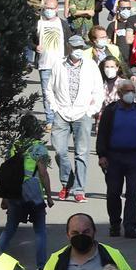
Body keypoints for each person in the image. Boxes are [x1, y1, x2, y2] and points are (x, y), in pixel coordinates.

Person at [46, 36, 104, 203]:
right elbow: (49, 88)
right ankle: (67, 181)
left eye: (81, 47)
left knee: (81, 153)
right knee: (59, 150)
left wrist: (91, 110)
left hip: (82, 114)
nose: (78, 50)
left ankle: (79, 189)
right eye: (75, 47)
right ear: (69, 47)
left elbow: (98, 90)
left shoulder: (91, 65)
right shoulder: (59, 64)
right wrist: (54, 107)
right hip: (62, 113)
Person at [96, 79, 136, 239]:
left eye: (133, 91)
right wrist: (102, 155)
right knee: (113, 192)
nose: (131, 94)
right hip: (114, 157)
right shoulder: (111, 110)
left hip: (134, 157)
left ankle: (130, 227)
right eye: (127, 91)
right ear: (120, 93)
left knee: (133, 193)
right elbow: (102, 134)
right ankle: (115, 224)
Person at [0, 114, 55, 270]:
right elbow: (43, 173)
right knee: (40, 231)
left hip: (15, 193)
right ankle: (41, 266)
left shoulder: (13, 146)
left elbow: (8, 174)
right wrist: (49, 196)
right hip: (33, 194)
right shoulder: (38, 148)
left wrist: (5, 198)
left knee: (9, 229)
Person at [35, 0, 72, 130]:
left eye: (51, 8)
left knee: (61, 91)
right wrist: (35, 46)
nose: (49, 11)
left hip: (61, 64)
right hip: (45, 64)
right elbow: (29, 40)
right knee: (47, 93)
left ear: (57, 9)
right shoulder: (38, 23)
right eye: (47, 8)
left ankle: (62, 117)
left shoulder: (62, 24)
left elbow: (69, 41)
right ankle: (50, 119)